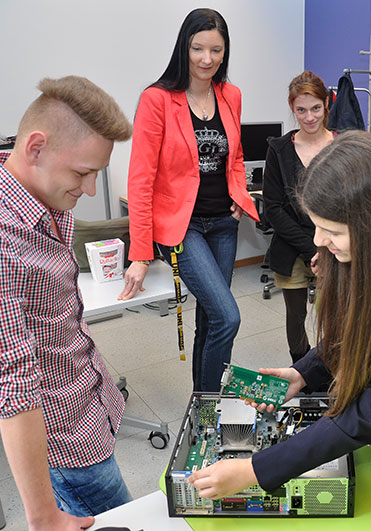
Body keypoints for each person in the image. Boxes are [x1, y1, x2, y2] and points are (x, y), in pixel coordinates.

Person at [186, 131, 371, 499]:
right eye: (317, 225)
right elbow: (354, 333)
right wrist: (303, 373)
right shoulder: (369, 255)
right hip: (363, 430)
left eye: (332, 230)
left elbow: (366, 417)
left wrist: (254, 470)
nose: (319, 240)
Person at [0, 76, 133, 529]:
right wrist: (43, 515)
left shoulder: (43, 199)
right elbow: (11, 385)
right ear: (36, 147)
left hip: (85, 405)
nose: (90, 188)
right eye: (82, 173)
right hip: (63, 442)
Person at [119, 8, 259, 391]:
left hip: (224, 223)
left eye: (216, 50)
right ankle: (210, 408)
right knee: (228, 317)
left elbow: (235, 155)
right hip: (182, 228)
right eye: (198, 48)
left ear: (225, 52)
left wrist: (239, 192)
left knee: (211, 320)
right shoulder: (158, 99)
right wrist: (140, 254)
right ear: (184, 47)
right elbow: (141, 180)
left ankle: (202, 408)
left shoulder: (231, 95)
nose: (207, 59)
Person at [263, 71, 334, 364]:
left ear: (326, 104)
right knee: (296, 316)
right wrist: (310, 248)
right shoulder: (279, 150)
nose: (309, 117)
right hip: (292, 246)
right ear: (292, 108)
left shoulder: (343, 145)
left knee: (334, 316)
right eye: (301, 110)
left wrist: (324, 248)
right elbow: (273, 209)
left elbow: (353, 205)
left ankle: (332, 368)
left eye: (315, 108)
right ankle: (301, 370)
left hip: (334, 248)